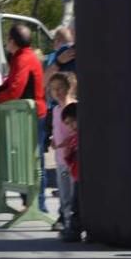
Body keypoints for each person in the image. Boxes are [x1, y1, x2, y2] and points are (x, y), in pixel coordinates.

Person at [0, 24, 47, 211]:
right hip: (27, 115)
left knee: (33, 160)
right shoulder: (22, 57)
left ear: (12, 41)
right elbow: (10, 83)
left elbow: (15, 89)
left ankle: (37, 203)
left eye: (7, 39)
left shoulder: (23, 59)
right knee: (26, 158)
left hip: (31, 116)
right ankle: (30, 202)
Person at [48, 72, 78, 233]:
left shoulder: (74, 107)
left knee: (74, 193)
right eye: (53, 89)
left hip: (74, 160)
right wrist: (54, 139)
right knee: (64, 194)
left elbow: (76, 131)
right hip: (61, 160)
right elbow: (57, 129)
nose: (57, 92)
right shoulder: (55, 110)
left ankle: (73, 223)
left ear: (69, 87)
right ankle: (67, 222)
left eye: (60, 88)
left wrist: (67, 142)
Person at [58, 102, 83, 242]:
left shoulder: (81, 137)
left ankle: (75, 231)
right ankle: (74, 230)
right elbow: (69, 161)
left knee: (77, 206)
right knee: (76, 205)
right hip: (76, 176)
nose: (71, 125)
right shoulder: (73, 139)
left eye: (73, 121)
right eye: (68, 123)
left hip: (81, 177)